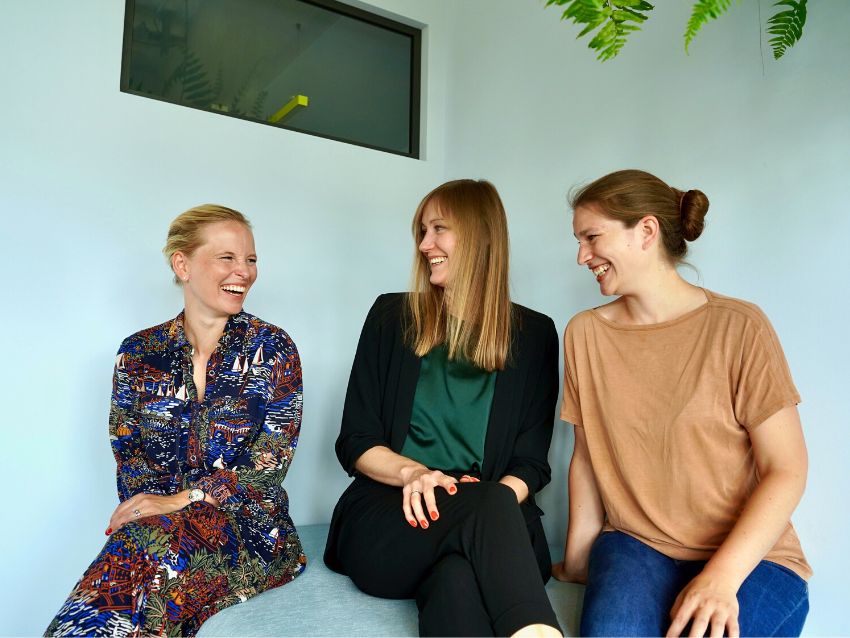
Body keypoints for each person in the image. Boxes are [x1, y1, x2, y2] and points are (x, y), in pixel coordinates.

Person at [553, 170, 811, 637]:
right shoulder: (584, 334)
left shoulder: (740, 327)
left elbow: (787, 468)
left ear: (646, 231)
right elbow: (588, 460)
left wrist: (721, 578)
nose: (581, 256)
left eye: (591, 237)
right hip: (637, 544)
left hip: (750, 558)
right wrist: (577, 562)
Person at [46, 205, 305, 637]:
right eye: (227, 257)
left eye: (251, 259)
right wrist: (160, 514)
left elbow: (268, 467)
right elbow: (129, 457)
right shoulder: (137, 354)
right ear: (182, 264)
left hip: (252, 532)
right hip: (161, 533)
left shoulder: (275, 349)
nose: (244, 271)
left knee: (150, 563)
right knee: (140, 574)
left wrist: (182, 501)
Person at [323, 179, 563, 637]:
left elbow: (531, 463)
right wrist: (415, 475)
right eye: (421, 230)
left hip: (493, 518)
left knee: (456, 576)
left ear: (483, 236)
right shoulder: (391, 317)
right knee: (482, 514)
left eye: (438, 229)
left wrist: (476, 503)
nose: (423, 244)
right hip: (391, 514)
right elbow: (356, 439)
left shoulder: (535, 335)